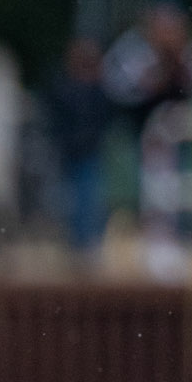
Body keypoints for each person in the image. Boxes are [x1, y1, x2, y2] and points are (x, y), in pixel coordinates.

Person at [103, 0, 192, 141]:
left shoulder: (191, 48)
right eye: (162, 23)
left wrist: (180, 64)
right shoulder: (132, 45)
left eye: (173, 22)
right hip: (137, 125)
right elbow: (118, 88)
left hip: (180, 128)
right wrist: (157, 67)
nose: (167, 30)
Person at [45, 36, 114, 258]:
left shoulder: (98, 88)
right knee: (71, 199)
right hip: (69, 151)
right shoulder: (64, 85)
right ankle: (76, 243)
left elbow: (104, 118)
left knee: (87, 198)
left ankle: (86, 243)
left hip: (88, 151)